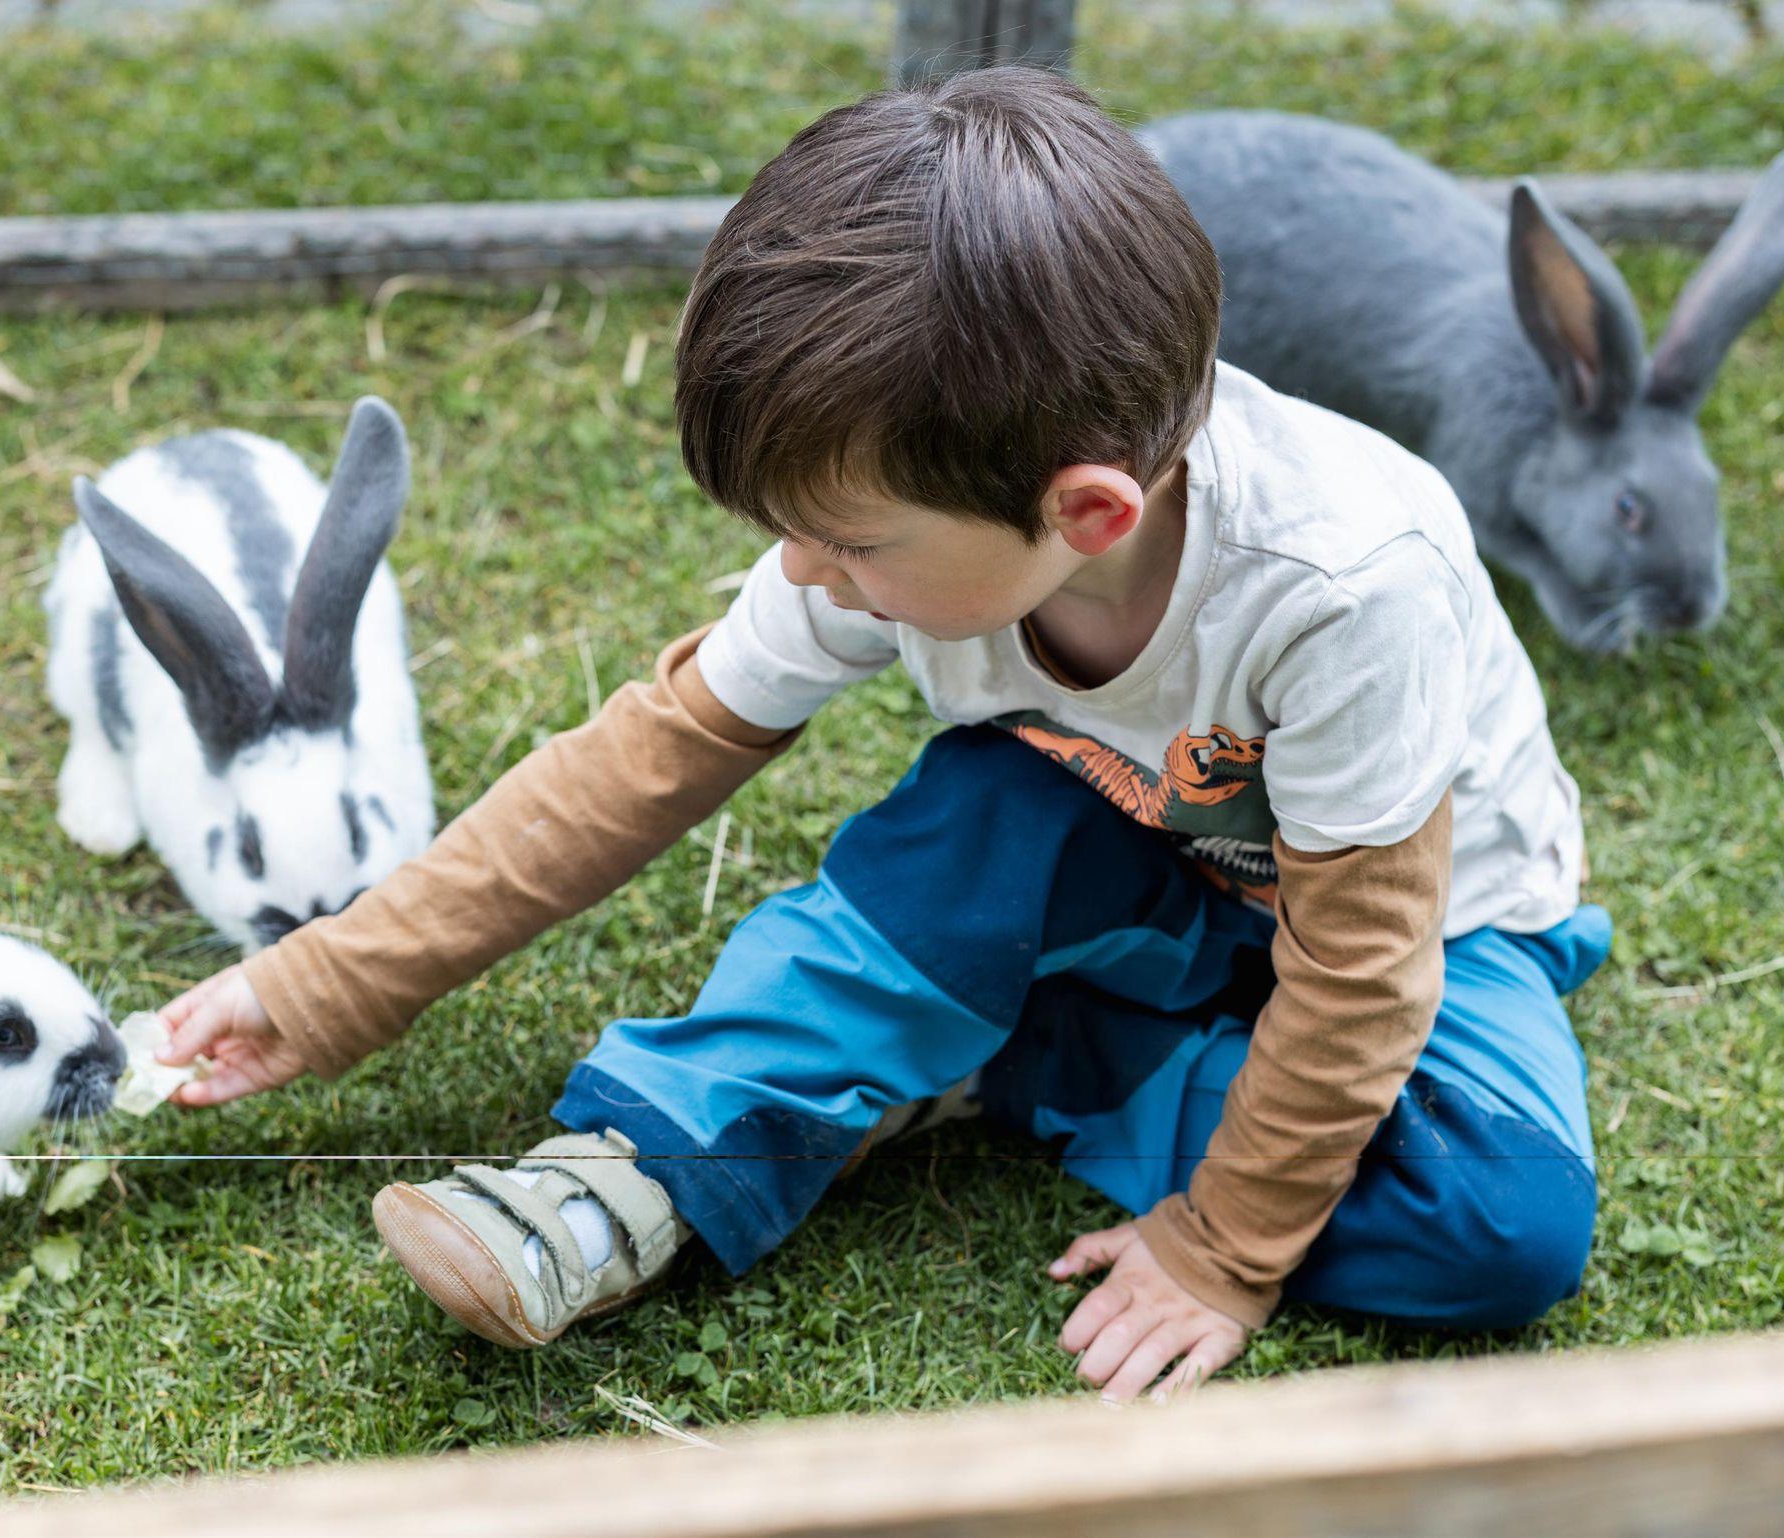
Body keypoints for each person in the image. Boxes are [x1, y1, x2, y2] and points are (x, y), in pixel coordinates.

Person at [156, 67, 1608, 1400]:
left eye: (845, 542)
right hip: (1125, 844)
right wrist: (336, 975)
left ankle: (995, 1051)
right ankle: (636, 1165)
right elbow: (645, 756)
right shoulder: (897, 519)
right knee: (985, 820)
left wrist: (1224, 1244)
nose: (801, 570)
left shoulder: (1348, 586)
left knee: (1505, 1225)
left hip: (1433, 924)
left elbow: (1361, 971)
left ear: (1087, 511)